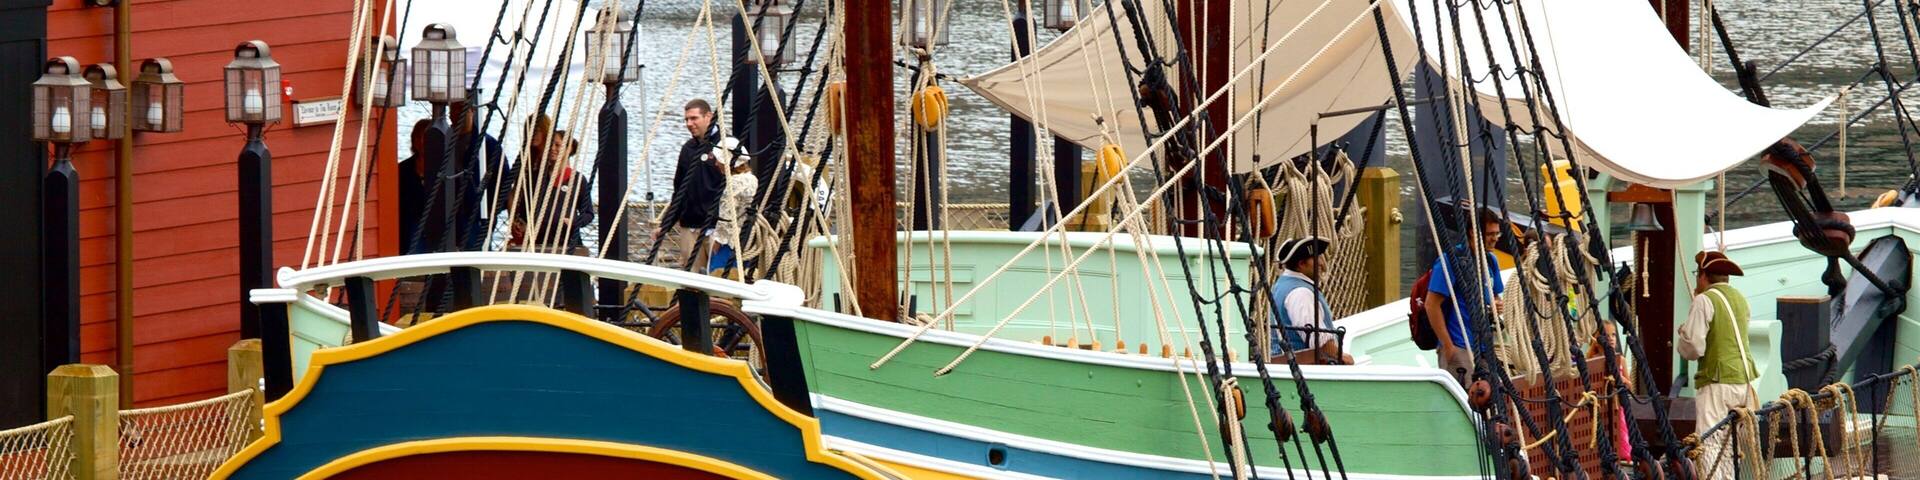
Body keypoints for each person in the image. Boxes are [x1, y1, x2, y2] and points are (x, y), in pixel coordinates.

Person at [1676, 250, 1757, 480]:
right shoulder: (1740, 299)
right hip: (1742, 381)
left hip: (1716, 382)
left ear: (1703, 275)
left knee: (1709, 442)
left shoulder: (1704, 300)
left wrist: (1682, 335)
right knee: (1728, 444)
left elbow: (1693, 348)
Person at [489, 115, 596, 250]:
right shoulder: (536, 176)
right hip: (537, 241)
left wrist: (574, 221)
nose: (552, 148)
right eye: (551, 144)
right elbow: (522, 200)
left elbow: (588, 213)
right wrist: (517, 222)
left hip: (566, 241)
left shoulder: (577, 180)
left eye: (558, 145)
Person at [1424, 211, 1507, 385]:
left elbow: (1495, 294)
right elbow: (1431, 305)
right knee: (1468, 400)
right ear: (1473, 232)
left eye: (1497, 233)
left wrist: (1497, 304)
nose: (1495, 238)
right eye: (1490, 234)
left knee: (1490, 397)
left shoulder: (1490, 261)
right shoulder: (1451, 262)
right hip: (1459, 346)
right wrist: (1448, 348)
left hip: (1484, 346)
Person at [654, 99, 727, 270]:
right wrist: (665, 225)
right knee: (692, 284)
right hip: (690, 228)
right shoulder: (688, 149)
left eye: (694, 118)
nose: (689, 124)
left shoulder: (726, 145)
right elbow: (680, 191)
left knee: (719, 282)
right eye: (687, 119)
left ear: (708, 116)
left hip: (716, 230)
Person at [1269, 237, 1352, 365]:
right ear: (1301, 264)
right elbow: (1319, 340)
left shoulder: (1282, 285)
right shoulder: (1301, 293)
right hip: (1302, 370)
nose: (1322, 264)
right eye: (1316, 258)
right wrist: (1341, 356)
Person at [709, 143, 759, 279]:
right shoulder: (752, 179)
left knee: (718, 276)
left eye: (718, 160)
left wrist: (717, 242)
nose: (716, 164)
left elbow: (726, 218)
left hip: (729, 244)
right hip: (748, 240)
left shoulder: (732, 184)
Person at [397, 119, 434, 254]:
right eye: (418, 137)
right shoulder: (403, 170)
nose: (422, 142)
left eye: (427, 137)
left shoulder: (446, 168)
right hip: (410, 228)